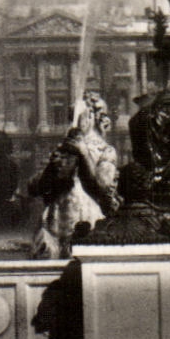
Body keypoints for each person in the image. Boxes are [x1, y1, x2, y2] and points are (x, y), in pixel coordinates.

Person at [30, 92, 120, 259]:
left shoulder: (105, 150)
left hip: (87, 219)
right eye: (72, 116)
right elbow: (35, 188)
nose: (73, 121)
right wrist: (51, 168)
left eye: (78, 115)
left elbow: (103, 186)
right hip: (55, 221)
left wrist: (84, 154)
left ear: (92, 117)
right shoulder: (62, 148)